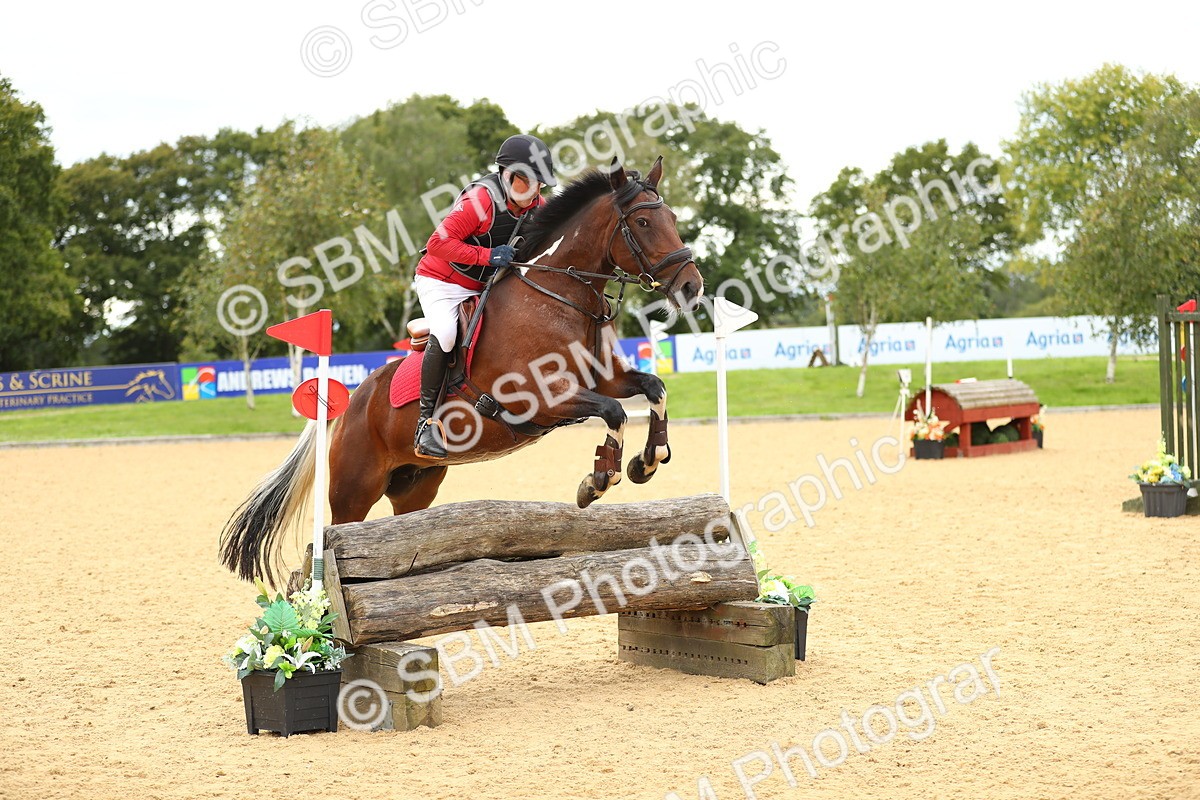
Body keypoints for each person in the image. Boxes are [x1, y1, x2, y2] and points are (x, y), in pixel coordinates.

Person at [412, 134, 557, 459]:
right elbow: (436, 244)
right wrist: (488, 256)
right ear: (512, 177)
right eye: (534, 182)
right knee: (447, 334)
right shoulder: (480, 201)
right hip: (442, 281)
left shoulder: (538, 207)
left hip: (485, 285)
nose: (539, 190)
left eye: (541, 183)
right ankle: (425, 424)